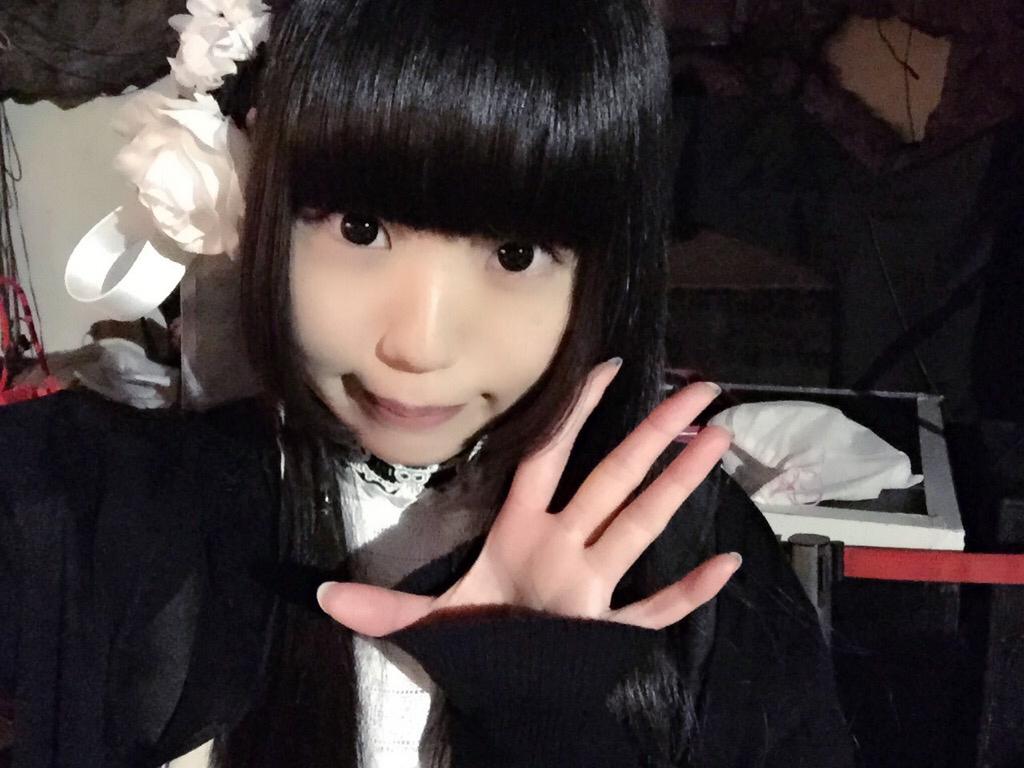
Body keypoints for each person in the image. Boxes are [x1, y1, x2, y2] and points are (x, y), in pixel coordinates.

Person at [0, 0, 856, 766]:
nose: (417, 344)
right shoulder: (101, 505)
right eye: (359, 228)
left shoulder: (694, 565)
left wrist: (554, 721)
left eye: (515, 254)